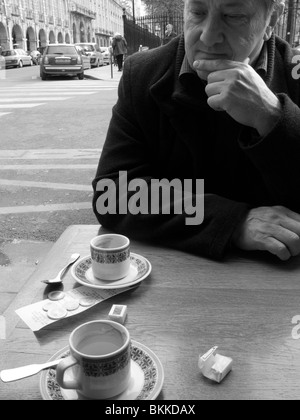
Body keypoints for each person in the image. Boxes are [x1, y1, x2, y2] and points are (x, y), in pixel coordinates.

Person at [93, 0, 300, 262]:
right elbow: (112, 194)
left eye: (233, 16)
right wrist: (232, 222)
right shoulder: (143, 73)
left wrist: (272, 117)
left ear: (271, 20)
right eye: (198, 12)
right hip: (172, 279)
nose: (208, 36)